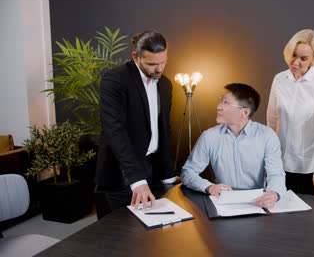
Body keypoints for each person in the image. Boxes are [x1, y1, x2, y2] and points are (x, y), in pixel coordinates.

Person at [95, 30, 177, 214]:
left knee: (150, 236)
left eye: (163, 62)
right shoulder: (114, 80)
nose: (159, 69)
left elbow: (164, 130)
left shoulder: (165, 84)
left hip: (152, 169)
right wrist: (137, 179)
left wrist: (168, 174)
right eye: (152, 64)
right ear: (136, 57)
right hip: (122, 171)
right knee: (117, 234)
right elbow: (114, 131)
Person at [181, 83, 286, 209]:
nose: (219, 107)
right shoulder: (209, 136)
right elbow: (188, 172)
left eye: (226, 103)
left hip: (257, 203)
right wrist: (209, 187)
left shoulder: (267, 136)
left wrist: (273, 194)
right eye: (221, 101)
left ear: (245, 112)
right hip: (222, 203)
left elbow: (276, 174)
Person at [267, 29, 314, 197]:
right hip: (279, 164)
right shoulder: (279, 79)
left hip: (310, 167)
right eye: (293, 55)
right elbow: (271, 122)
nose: (296, 62)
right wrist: (269, 161)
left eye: (303, 58)